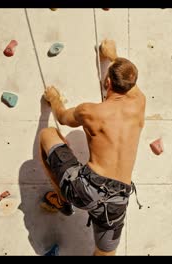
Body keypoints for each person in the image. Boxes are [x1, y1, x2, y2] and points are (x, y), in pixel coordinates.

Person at [39, 39, 145, 256]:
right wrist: (113, 57)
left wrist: (54, 98)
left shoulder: (89, 112)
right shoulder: (139, 103)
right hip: (117, 201)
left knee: (47, 135)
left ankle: (62, 198)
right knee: (105, 254)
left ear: (107, 83)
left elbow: (62, 116)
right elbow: (130, 83)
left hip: (84, 188)